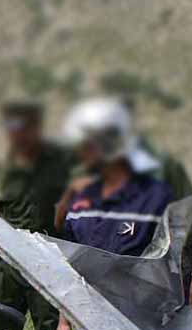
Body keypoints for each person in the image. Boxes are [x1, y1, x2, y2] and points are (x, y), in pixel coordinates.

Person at [0, 99, 68, 330]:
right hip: (4, 260)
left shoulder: (58, 165)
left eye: (25, 128)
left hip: (44, 257)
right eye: (13, 128)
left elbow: (71, 214)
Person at [56, 97, 173, 257]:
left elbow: (178, 260)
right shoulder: (80, 202)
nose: (79, 153)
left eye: (85, 145)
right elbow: (67, 257)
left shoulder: (157, 197)